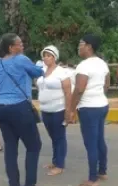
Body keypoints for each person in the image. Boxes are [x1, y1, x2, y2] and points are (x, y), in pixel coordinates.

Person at [0, 33, 47, 186]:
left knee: (10, 146)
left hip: (0, 108)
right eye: (19, 43)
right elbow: (39, 72)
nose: (22, 46)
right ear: (11, 47)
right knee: (33, 145)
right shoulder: (21, 59)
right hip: (19, 107)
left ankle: (14, 185)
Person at [70, 34, 111, 186]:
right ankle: (102, 171)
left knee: (91, 143)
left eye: (81, 44)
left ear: (89, 47)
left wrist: (71, 110)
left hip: (88, 108)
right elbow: (107, 84)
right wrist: (99, 96)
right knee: (99, 139)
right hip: (101, 105)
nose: (78, 47)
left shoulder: (83, 66)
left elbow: (79, 89)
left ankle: (92, 179)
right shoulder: (102, 64)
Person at [36, 45, 72, 177]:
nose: (46, 58)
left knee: (59, 137)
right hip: (45, 110)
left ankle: (60, 165)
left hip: (58, 109)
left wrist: (68, 111)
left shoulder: (62, 72)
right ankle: (55, 161)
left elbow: (68, 92)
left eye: (49, 55)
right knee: (53, 137)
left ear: (54, 57)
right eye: (44, 55)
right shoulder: (42, 71)